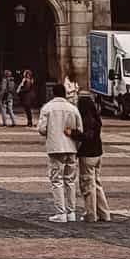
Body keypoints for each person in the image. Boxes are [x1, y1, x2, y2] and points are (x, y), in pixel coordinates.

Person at [37, 83, 82, 222]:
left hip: (56, 147)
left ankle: (61, 212)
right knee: (70, 180)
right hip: (71, 147)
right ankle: (71, 212)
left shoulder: (48, 108)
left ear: (53, 93)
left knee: (57, 180)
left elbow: (42, 129)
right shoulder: (73, 108)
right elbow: (79, 129)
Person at [76, 92, 111, 223]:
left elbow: (87, 137)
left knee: (87, 184)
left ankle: (90, 214)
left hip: (88, 154)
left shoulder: (86, 119)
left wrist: (74, 133)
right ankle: (104, 212)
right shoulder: (97, 118)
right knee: (96, 183)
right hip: (98, 153)